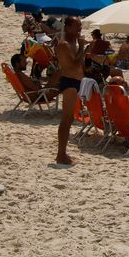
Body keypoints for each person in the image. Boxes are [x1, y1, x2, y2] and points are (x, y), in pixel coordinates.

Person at [54, 16, 86, 165]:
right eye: (77, 26)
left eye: (80, 26)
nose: (80, 29)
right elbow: (73, 65)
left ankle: (63, 153)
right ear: (67, 27)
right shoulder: (64, 45)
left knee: (69, 119)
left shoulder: (73, 42)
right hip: (69, 82)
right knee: (66, 119)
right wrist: (82, 47)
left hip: (76, 82)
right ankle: (61, 155)